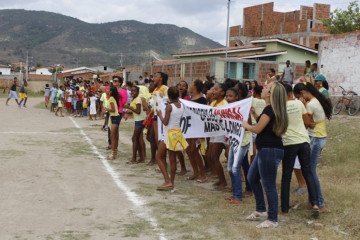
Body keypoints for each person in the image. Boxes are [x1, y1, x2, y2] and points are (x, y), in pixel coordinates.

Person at [242, 82, 288, 229]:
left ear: (270, 94)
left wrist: (246, 125)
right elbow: (264, 126)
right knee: (252, 177)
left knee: (269, 185)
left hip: (270, 150)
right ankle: (261, 209)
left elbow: (257, 129)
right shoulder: (271, 109)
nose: (263, 89)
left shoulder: (270, 109)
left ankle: (272, 218)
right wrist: (254, 114)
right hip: (266, 149)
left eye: (267, 88)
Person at [280, 83, 320, 217]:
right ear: (290, 93)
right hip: (303, 141)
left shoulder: (278, 107)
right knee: (308, 172)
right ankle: (315, 203)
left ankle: (285, 209)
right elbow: (308, 122)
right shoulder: (298, 104)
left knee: (286, 175)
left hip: (289, 143)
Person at [293, 82, 332, 214]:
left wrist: (303, 107)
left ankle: (320, 203)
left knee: (311, 172)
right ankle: (312, 201)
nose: (298, 100)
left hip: (315, 138)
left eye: (298, 97)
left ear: (302, 94)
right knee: (309, 171)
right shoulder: (316, 100)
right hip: (320, 137)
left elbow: (307, 124)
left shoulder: (310, 105)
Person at [156, 87, 188, 190]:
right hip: (177, 133)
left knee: (159, 157)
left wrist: (160, 115)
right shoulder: (181, 106)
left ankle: (167, 180)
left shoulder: (169, 107)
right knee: (172, 159)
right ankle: (171, 182)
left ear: (169, 96)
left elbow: (165, 122)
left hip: (168, 134)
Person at [225, 87, 251, 204]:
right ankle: (237, 192)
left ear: (237, 97)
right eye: (227, 96)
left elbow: (249, 123)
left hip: (243, 141)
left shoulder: (243, 108)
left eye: (231, 96)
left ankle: (238, 196)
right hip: (234, 141)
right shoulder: (227, 108)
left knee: (234, 168)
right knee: (233, 167)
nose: (228, 98)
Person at [186, 79, 207, 183]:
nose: (189, 86)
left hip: (197, 128)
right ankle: (195, 172)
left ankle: (202, 174)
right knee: (189, 150)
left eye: (191, 84)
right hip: (190, 127)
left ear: (195, 87)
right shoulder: (191, 98)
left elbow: (203, 115)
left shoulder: (202, 100)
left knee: (194, 150)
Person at [208, 83, 228, 190]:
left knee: (215, 156)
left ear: (222, 92)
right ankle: (220, 179)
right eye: (213, 89)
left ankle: (223, 182)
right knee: (211, 156)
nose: (213, 91)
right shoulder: (214, 103)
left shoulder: (224, 104)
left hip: (220, 132)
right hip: (213, 132)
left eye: (216, 90)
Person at [124, 86, 146, 164]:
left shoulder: (138, 99)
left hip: (140, 120)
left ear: (138, 92)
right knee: (138, 139)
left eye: (134, 91)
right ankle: (141, 157)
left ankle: (134, 159)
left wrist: (129, 107)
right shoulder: (135, 99)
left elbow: (138, 111)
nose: (132, 93)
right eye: (132, 91)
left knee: (134, 138)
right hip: (138, 120)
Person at [250, 85, 266, 164]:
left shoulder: (252, 100)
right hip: (262, 123)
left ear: (255, 92)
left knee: (253, 145)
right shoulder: (264, 101)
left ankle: (252, 162)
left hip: (253, 123)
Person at [104, 86, 121, 160]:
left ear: (110, 92)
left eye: (108, 89)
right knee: (114, 136)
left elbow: (113, 109)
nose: (106, 90)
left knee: (113, 136)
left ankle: (113, 153)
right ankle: (114, 152)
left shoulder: (111, 98)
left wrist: (107, 110)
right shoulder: (112, 98)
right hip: (114, 117)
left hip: (114, 118)